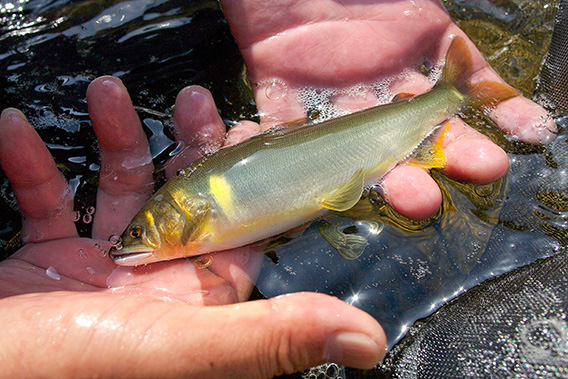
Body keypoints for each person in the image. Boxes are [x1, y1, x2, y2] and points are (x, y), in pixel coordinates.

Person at [0, 0, 555, 377]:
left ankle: (452, 95)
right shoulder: (195, 217)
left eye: (144, 230)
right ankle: (450, 98)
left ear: (178, 217)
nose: (133, 243)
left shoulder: (198, 218)